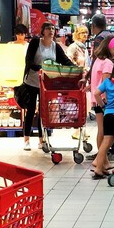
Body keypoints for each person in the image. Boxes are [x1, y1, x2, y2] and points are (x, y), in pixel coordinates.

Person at [20, 22, 73, 151]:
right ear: (42, 31)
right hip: (32, 81)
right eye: (48, 28)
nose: (51, 31)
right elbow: (29, 60)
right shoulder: (35, 42)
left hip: (46, 83)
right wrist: (40, 68)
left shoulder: (55, 46)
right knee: (31, 109)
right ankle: (26, 139)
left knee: (43, 111)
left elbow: (64, 60)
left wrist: (75, 68)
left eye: (53, 29)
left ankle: (41, 139)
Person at [89, 36, 114, 157]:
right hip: (103, 100)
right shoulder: (107, 63)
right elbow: (106, 84)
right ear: (108, 48)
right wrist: (109, 102)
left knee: (100, 130)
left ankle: (101, 158)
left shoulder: (98, 60)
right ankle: (102, 159)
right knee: (105, 132)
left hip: (95, 99)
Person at [66, 26, 90, 141]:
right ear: (77, 34)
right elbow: (68, 61)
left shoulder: (84, 48)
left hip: (84, 79)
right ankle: (77, 130)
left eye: (86, 33)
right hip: (76, 79)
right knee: (78, 105)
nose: (85, 35)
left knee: (84, 105)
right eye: (82, 33)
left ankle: (81, 130)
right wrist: (77, 69)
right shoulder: (73, 47)